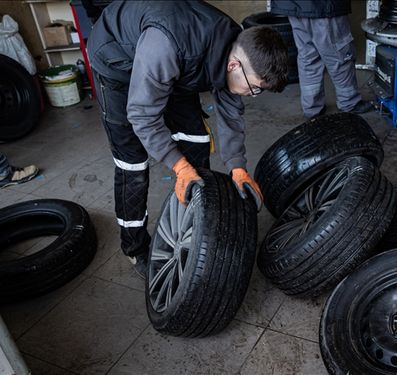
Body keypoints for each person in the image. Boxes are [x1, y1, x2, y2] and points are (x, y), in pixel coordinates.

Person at [87, 1, 288, 277]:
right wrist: (178, 166)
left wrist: (237, 166)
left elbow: (230, 111)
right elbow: (143, 115)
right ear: (233, 64)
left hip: (175, 63)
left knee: (195, 138)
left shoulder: (231, 43)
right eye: (254, 88)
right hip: (117, 60)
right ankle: (134, 247)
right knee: (132, 163)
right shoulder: (167, 45)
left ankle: (193, 213)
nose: (252, 95)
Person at [270, 0, 373, 119]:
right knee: (340, 56)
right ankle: (349, 103)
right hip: (323, 6)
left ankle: (312, 108)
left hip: (293, 5)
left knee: (308, 57)